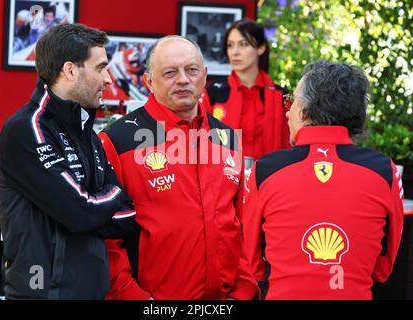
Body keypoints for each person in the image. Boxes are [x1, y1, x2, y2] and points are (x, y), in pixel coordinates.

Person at [99, 35, 258, 300]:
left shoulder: (229, 138)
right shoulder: (118, 141)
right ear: (149, 82)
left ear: (204, 75)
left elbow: (240, 225)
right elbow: (107, 242)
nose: (183, 80)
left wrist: (242, 291)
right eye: (170, 72)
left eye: (192, 70)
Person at [0, 23, 136, 300]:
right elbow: (81, 213)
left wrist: (87, 209)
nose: (108, 79)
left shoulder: (88, 134)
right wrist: (114, 192)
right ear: (70, 71)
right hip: (41, 293)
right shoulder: (27, 129)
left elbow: (127, 216)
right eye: (100, 67)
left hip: (92, 291)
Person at [242, 60, 404, 299]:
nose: (287, 111)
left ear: (305, 112)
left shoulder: (265, 171)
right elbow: (382, 269)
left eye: (291, 101)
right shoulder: (385, 172)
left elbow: (252, 263)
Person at [200, 18, 290, 169]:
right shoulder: (212, 93)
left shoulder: (282, 97)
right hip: (224, 180)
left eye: (243, 44)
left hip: (269, 182)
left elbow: (291, 147)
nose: (235, 52)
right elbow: (200, 144)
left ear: (260, 48)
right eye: (230, 45)